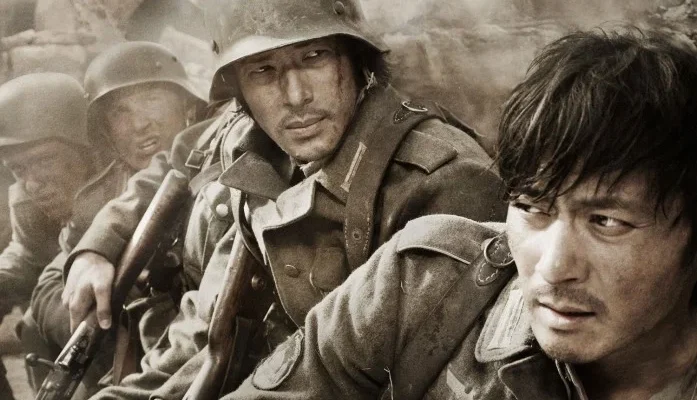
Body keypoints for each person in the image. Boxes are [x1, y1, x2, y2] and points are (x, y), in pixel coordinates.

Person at [59, 0, 507, 398]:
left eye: (314, 57)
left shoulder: (445, 184)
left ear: (356, 61)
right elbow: (213, 341)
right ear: (240, 94)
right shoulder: (263, 163)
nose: (295, 97)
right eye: (263, 71)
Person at [221, 27, 697, 399]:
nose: (553, 268)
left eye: (606, 222)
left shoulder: (437, 176)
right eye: (531, 207)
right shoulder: (420, 282)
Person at [25, 41, 206, 396]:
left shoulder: (215, 161)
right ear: (106, 130)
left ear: (187, 105)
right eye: (120, 112)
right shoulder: (101, 194)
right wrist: (105, 312)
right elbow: (50, 282)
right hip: (133, 356)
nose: (139, 124)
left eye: (151, 99)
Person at [0, 72, 95, 399]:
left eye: (43, 160)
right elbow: (27, 253)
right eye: (18, 169)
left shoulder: (125, 185)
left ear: (85, 149)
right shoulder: (27, 200)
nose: (32, 183)